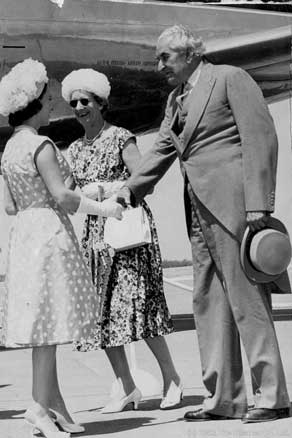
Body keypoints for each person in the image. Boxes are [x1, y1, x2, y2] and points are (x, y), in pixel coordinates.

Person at [119, 24, 290, 423]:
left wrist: (258, 205)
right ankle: (224, 399)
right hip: (196, 210)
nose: (158, 65)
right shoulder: (175, 99)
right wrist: (129, 191)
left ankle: (272, 395)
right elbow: (162, 148)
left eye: (165, 57)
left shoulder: (230, 78)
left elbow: (260, 137)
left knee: (248, 302)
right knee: (208, 302)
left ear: (191, 54)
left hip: (234, 208)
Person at [0, 58, 123, 438]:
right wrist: (105, 208)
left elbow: (8, 206)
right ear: (34, 104)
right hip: (50, 237)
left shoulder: (10, 149)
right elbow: (64, 197)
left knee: (44, 327)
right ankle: (38, 408)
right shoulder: (41, 144)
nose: (52, 105)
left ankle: (54, 407)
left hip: (25, 236)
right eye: (48, 99)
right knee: (49, 328)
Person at [61, 68, 182, 412]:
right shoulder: (73, 148)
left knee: (139, 308)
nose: (80, 107)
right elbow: (69, 193)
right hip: (96, 238)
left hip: (128, 233)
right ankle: (127, 387)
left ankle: (172, 378)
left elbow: (145, 180)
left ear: (101, 103)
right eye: (75, 102)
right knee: (101, 315)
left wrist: (104, 190)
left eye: (86, 100)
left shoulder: (121, 137)